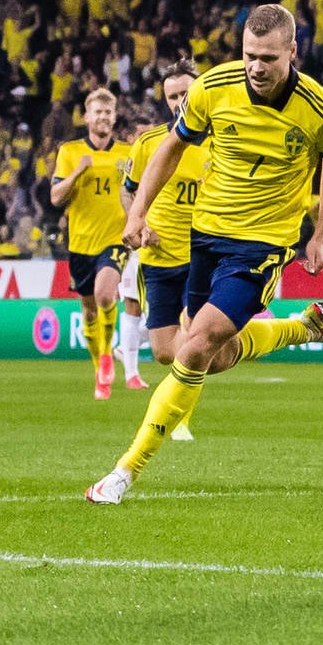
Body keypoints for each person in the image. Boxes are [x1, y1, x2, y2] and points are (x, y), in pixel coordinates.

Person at [86, 5, 323, 504]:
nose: (256, 67)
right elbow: (172, 147)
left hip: (264, 244)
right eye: (250, 55)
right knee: (214, 354)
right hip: (205, 238)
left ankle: (124, 471)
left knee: (196, 344)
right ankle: (304, 328)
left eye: (269, 58)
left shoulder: (322, 109)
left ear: (293, 53)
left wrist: (318, 235)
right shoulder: (213, 87)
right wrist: (137, 212)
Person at [120, 59, 208, 439]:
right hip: (157, 262)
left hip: (200, 257)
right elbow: (128, 192)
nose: (179, 102)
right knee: (163, 351)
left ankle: (181, 419)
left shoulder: (220, 143)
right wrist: (140, 223)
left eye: (185, 94)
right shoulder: (149, 143)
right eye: (173, 96)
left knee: (193, 336)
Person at [51, 88, 133, 400]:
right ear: (87, 117)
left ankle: (107, 355)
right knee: (88, 310)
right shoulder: (70, 152)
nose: (103, 117)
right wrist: (77, 172)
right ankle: (99, 372)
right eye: (97, 112)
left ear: (114, 117)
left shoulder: (127, 153)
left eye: (108, 113)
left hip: (115, 238)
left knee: (104, 294)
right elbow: (56, 198)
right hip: (81, 243)